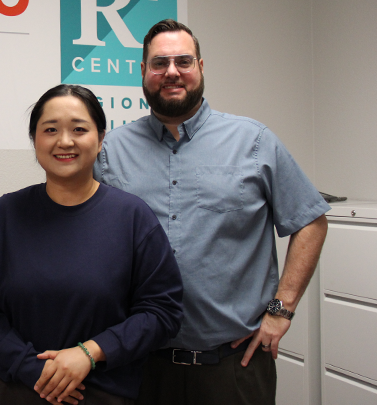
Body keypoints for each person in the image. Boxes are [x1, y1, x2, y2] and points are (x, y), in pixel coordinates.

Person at [93, 19, 330, 405]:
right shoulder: (109, 151)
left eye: (183, 61)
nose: (171, 72)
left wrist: (280, 310)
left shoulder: (253, 141)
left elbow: (311, 221)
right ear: (142, 72)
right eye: (159, 63)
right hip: (140, 365)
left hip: (234, 368)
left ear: (201, 67)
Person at [0, 84, 183, 405]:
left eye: (79, 129)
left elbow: (163, 311)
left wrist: (89, 353)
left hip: (103, 392)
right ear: (34, 139)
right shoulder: (4, 215)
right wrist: (30, 368)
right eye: (50, 130)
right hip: (18, 389)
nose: (65, 141)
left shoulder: (133, 217)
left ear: (101, 138)